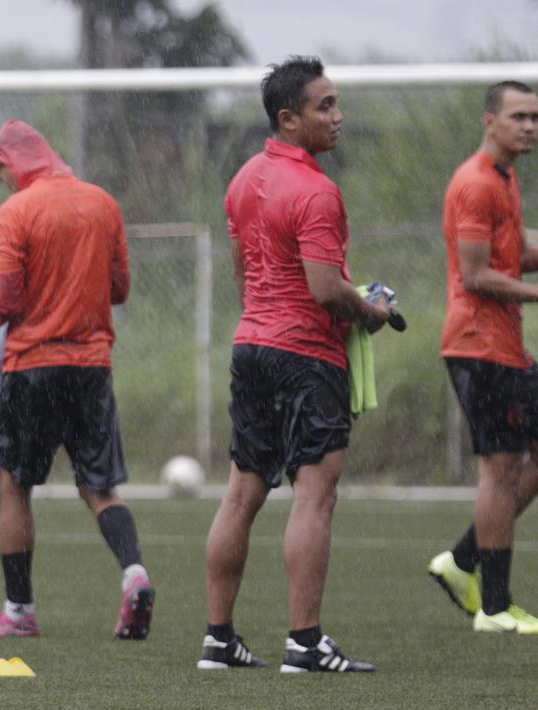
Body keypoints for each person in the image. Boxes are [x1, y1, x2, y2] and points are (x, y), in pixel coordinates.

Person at [198, 56, 391, 673]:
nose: (338, 117)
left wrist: (267, 319)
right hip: (305, 357)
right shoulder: (316, 190)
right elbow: (326, 290)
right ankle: (305, 646)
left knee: (240, 496)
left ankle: (218, 642)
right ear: (288, 119)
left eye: (336, 104)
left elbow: (243, 274)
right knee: (315, 497)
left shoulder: (242, 178)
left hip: (251, 345)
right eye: (324, 107)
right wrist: (372, 311)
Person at [0, 119, 155, 641]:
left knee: (14, 482)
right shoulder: (102, 203)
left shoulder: (17, 209)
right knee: (99, 485)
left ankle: (18, 612)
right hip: (91, 367)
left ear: (8, 164)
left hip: (33, 367)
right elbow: (121, 288)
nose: (5, 185)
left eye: (2, 175)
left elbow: (7, 298)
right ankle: (134, 576)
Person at [426, 80, 538, 635]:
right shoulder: (475, 183)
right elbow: (475, 274)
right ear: (488, 121)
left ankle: (462, 560)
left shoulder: (506, 179)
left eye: (535, 117)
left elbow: (516, 254)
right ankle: (494, 608)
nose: (530, 127)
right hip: (479, 346)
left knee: (527, 457)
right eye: (518, 116)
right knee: (500, 469)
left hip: (507, 348)